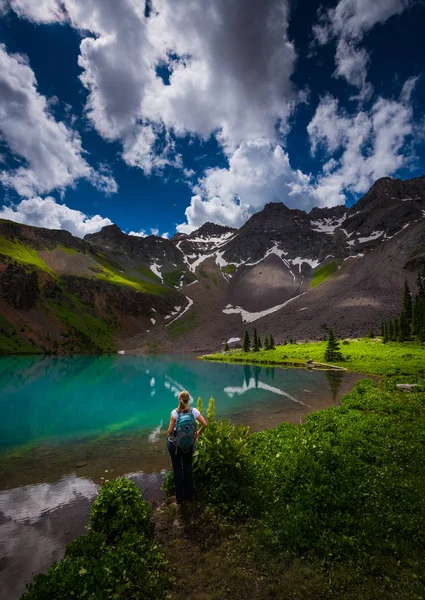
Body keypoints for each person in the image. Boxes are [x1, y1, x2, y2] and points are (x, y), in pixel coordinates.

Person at [167, 390, 207, 505]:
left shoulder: (175, 413)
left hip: (175, 445)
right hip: (188, 444)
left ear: (179, 400)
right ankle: (189, 496)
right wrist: (197, 433)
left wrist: (170, 433)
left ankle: (180, 498)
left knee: (177, 470)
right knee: (188, 469)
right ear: (188, 400)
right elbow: (205, 424)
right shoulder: (194, 411)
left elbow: (170, 431)